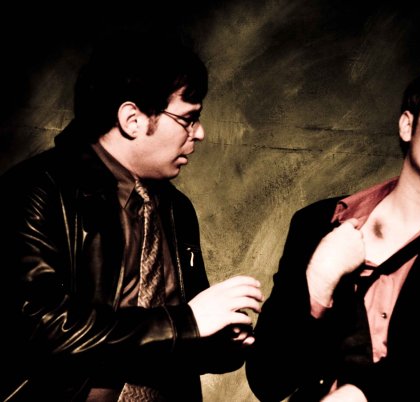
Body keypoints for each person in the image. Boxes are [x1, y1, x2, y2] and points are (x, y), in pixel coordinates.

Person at [0, 30, 263, 402]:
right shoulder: (37, 190)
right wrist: (186, 323)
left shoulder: (176, 209)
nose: (200, 133)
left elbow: (177, 337)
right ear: (132, 119)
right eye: (188, 118)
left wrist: (219, 342)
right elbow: (39, 326)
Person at [246, 67, 420, 401]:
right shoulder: (316, 223)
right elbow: (267, 379)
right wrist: (319, 280)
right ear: (407, 125)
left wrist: (364, 391)